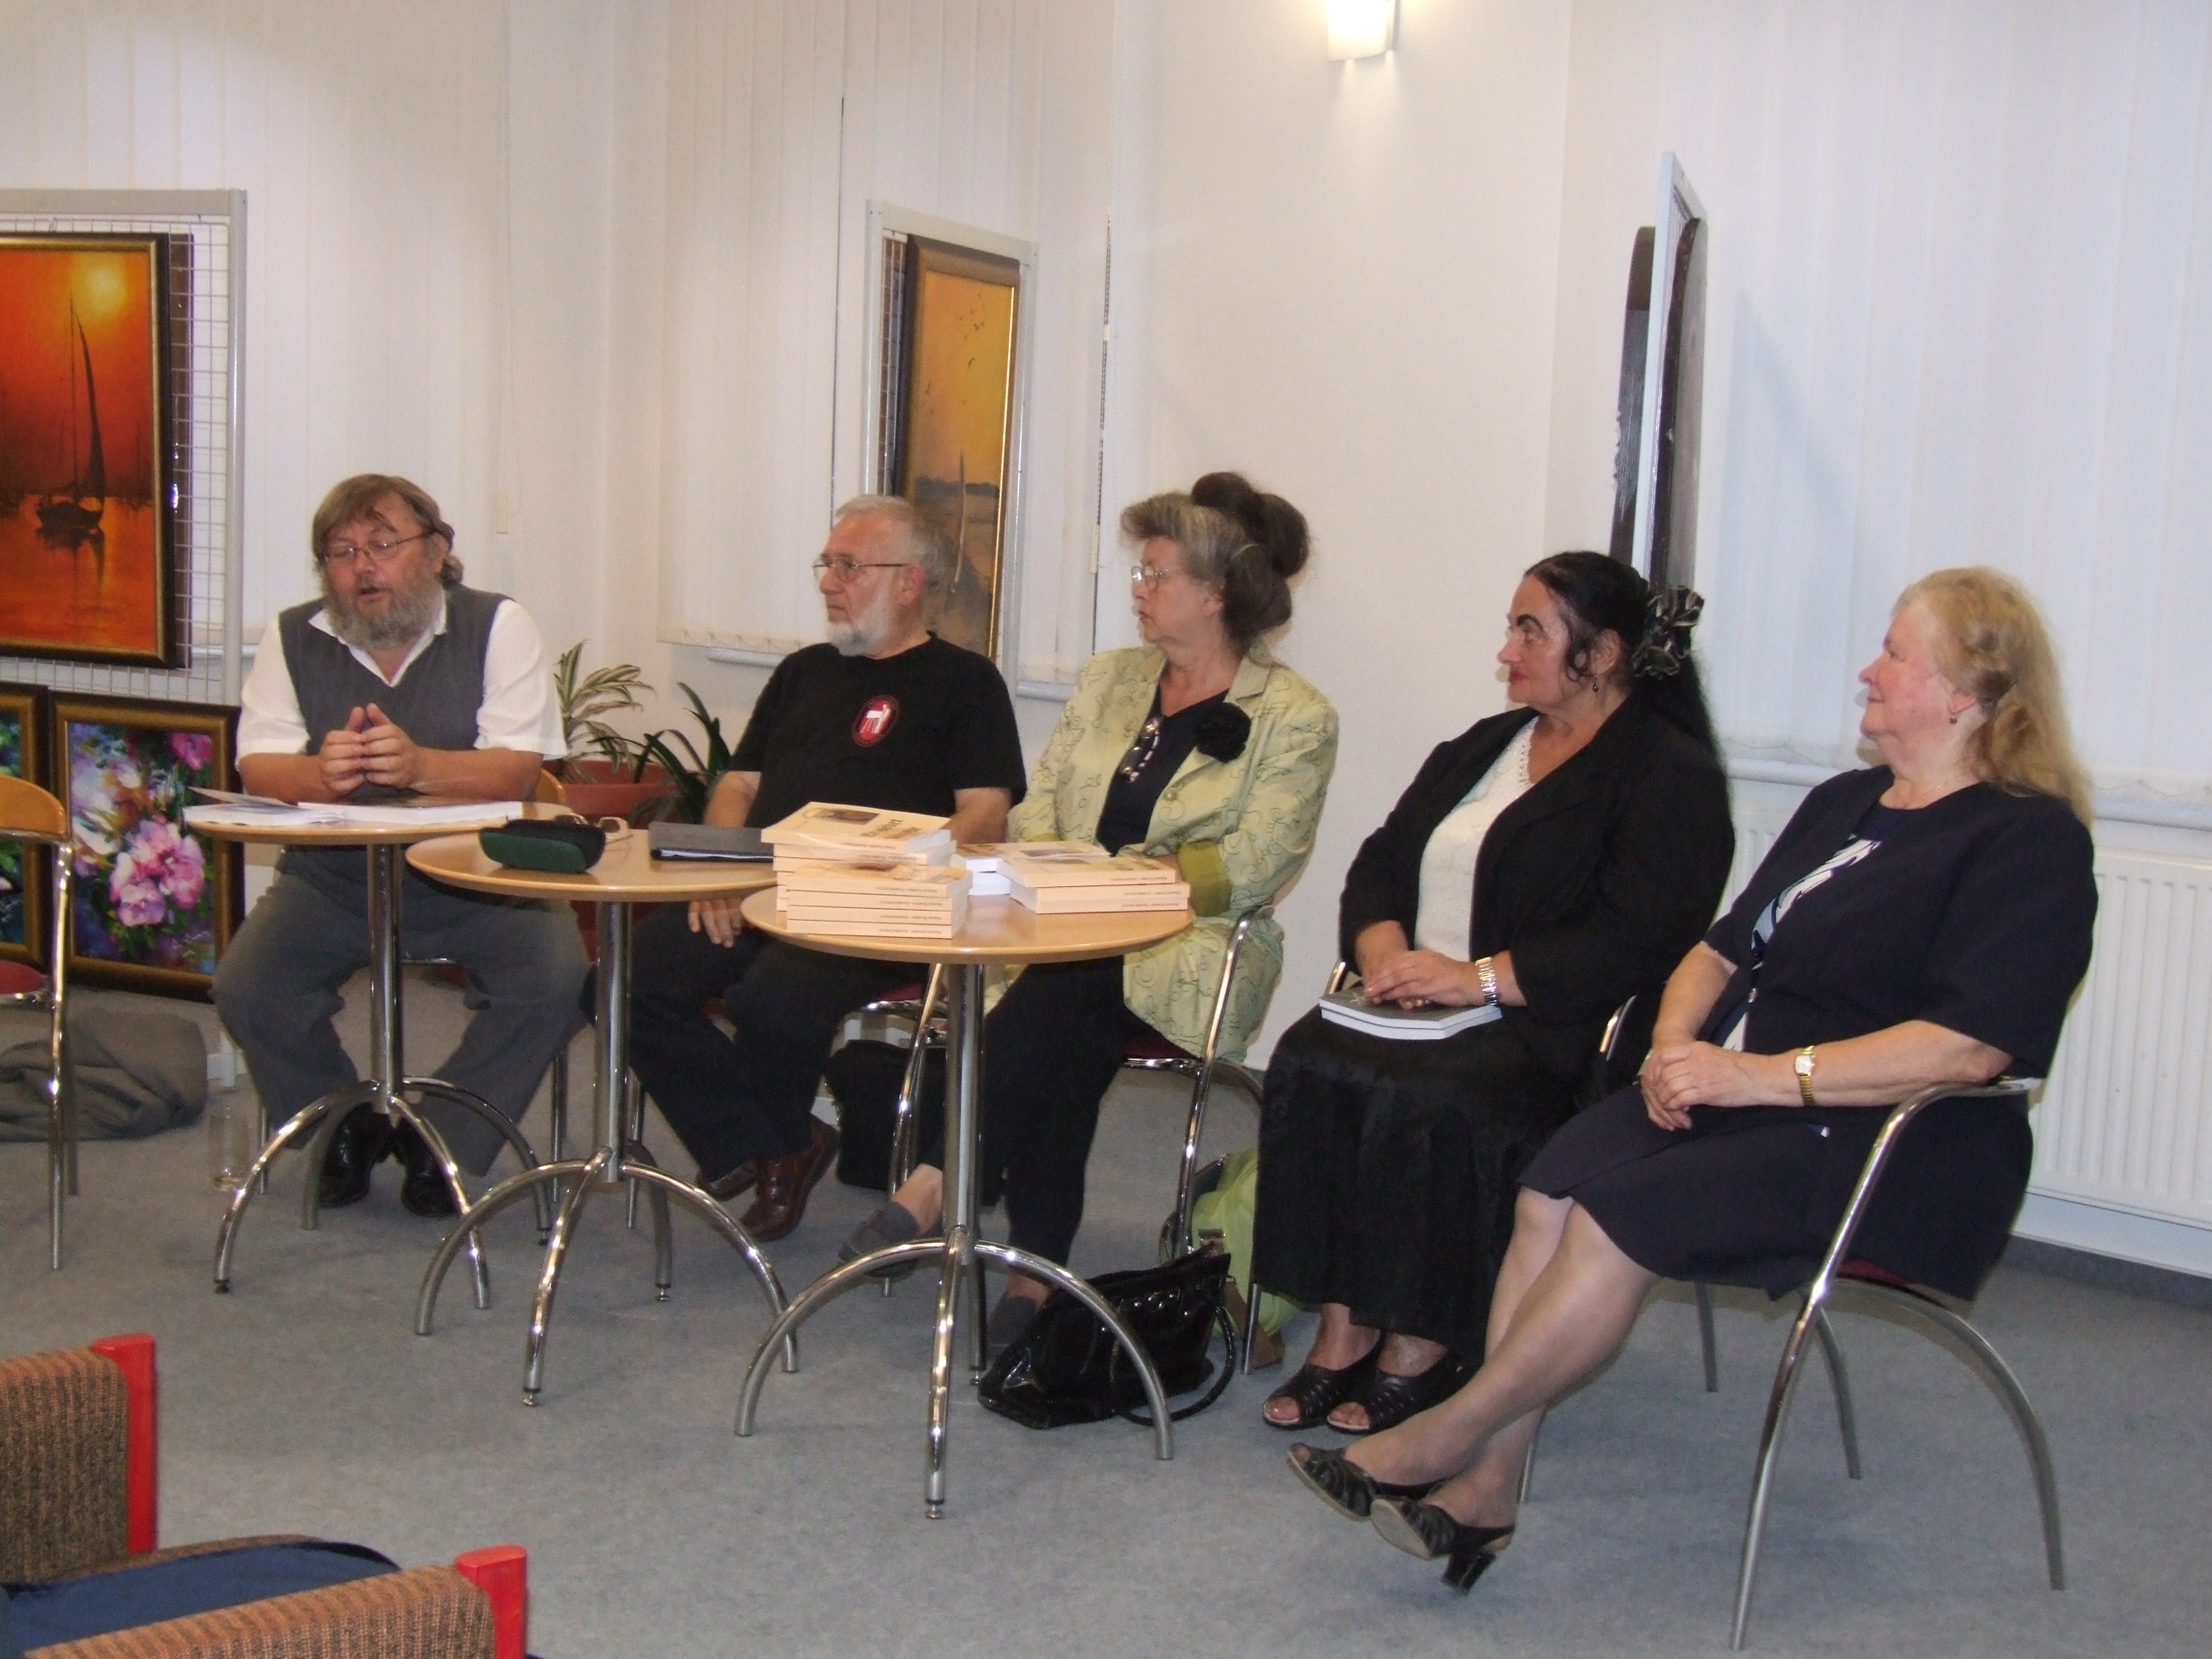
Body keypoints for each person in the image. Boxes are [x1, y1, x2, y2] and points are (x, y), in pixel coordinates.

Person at [1285, 567, 2098, 1595]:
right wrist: (1675, 1048)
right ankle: (1489, 1485)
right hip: (1744, 1098)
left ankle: (1449, 1434)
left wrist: (1752, 1077)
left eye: (1896, 654)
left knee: (1612, 1214)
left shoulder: (2028, 840)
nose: (1868, 670)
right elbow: (1715, 952)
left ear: (1967, 693)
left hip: (1892, 1140)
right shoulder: (1844, 804)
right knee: (1547, 1188)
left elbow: (1966, 1049)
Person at [842, 472, 1340, 1356]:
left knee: (1066, 994)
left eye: (1156, 574)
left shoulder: (1295, 716)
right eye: (1139, 572)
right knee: (1064, 1030)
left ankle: (934, 1184)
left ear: (1216, 593)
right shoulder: (1113, 679)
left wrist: (1123, 887)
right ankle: (1034, 1275)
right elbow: (1043, 808)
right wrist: (1033, 866)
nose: (1138, 589)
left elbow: (1258, 862)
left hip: (1188, 942)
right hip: (1060, 926)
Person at [1252, 552, 1734, 1436]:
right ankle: (1345, 1324)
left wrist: (1475, 979)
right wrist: (1383, 948)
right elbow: (1383, 858)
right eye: (1512, 628)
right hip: (1427, 999)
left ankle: (1426, 1338)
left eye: (1530, 631)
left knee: (1439, 1093)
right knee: (1310, 1057)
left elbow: (1637, 937)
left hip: (1554, 1026)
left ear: (1602, 653)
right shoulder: (1485, 745)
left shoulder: (1667, 773)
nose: (1506, 651)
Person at [620, 495, 1026, 1242]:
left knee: (770, 1001)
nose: (827, 582)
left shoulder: (966, 682)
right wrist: (721, 873)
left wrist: (904, 872)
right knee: (625, 977)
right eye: (826, 564)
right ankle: (774, 1141)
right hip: (757, 888)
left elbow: (985, 814)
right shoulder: (802, 672)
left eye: (848, 566)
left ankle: (769, 1146)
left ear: (909, 581)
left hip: (873, 911)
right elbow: (738, 787)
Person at [214, 474, 585, 1216]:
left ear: (437, 550)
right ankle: (340, 1125)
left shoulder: (496, 626)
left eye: (383, 544)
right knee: (249, 986)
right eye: (342, 552)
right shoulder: (293, 635)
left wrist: (419, 767)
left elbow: (517, 768)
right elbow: (258, 764)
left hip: (480, 875)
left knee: (556, 979)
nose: (363, 567)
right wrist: (321, 775)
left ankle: (443, 1136)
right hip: (334, 880)